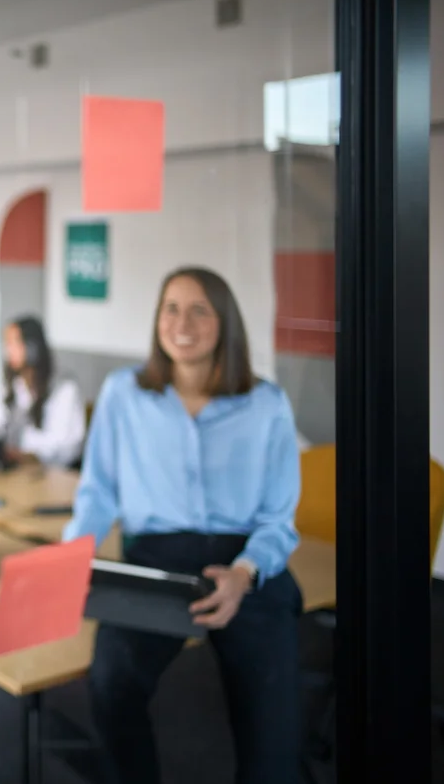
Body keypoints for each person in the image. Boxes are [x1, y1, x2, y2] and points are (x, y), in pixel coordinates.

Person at [64, 266, 302, 784]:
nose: (182, 322)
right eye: (171, 308)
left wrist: (245, 573)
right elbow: (99, 491)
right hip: (157, 562)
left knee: (274, 727)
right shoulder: (123, 394)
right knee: (111, 685)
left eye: (199, 310)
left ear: (225, 323)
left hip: (245, 564)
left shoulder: (267, 405)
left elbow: (278, 519)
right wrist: (72, 554)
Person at [0, 315, 86, 467]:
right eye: (7, 344)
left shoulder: (65, 389)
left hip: (58, 474)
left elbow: (63, 448)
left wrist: (29, 453)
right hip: (22, 472)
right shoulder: (15, 385)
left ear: (33, 348)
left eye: (14, 343)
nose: (8, 351)